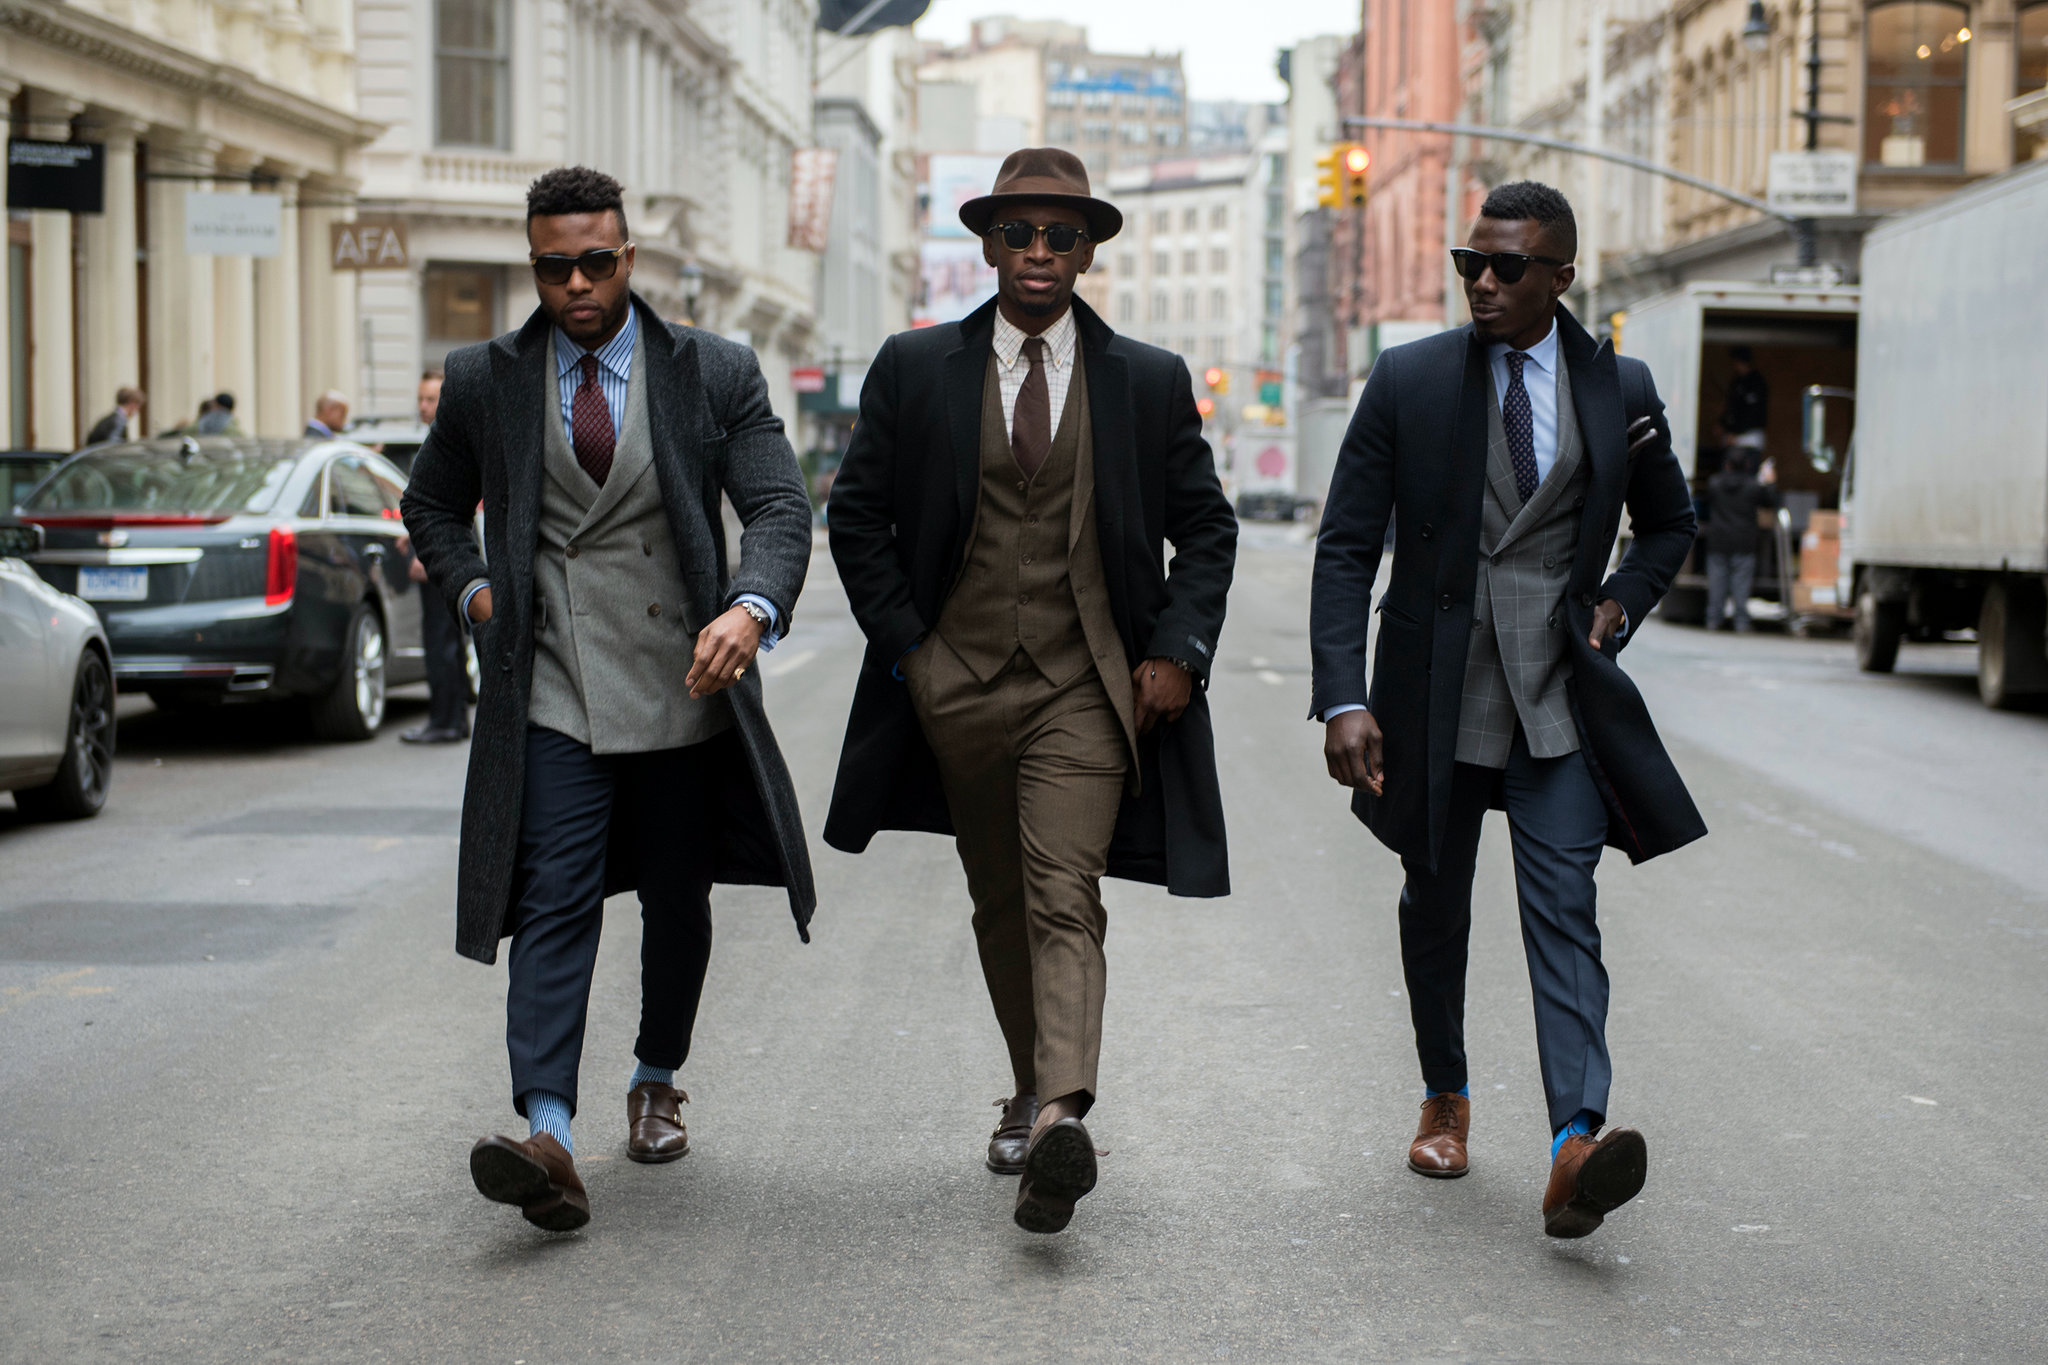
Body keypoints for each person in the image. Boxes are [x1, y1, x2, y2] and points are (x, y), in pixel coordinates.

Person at [824, 147, 1238, 1235]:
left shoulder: (1144, 379)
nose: (1040, 253)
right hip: (953, 683)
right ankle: (1026, 1083)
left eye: (1061, 235)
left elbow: (1204, 528)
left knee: (1064, 892)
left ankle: (1059, 1115)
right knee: (999, 897)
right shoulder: (916, 367)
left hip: (1084, 684)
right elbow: (856, 518)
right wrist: (911, 653)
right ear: (986, 244)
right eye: (1019, 233)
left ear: (1090, 248)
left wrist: (1176, 650)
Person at [400, 166, 817, 1232]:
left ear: (627, 260)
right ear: (532, 265)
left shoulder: (712, 371)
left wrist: (752, 605)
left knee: (678, 895)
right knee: (553, 896)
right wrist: (481, 594)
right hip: (551, 685)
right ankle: (546, 1129)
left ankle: (656, 1074)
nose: (577, 283)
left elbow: (775, 503)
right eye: (554, 267)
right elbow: (431, 506)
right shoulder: (486, 379)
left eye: (596, 262)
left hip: (683, 678)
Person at [1311, 181, 1705, 1239]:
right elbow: (1348, 544)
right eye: (1468, 264)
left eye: (1506, 268)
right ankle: (1444, 1095)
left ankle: (1574, 1142)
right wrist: (1342, 696)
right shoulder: (1409, 379)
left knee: (1563, 915)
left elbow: (1669, 523)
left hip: (1554, 700)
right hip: (1430, 696)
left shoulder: (1616, 385)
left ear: (1558, 278)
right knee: (1433, 905)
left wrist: (1616, 607)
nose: (1481, 283)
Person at [401, 371, 470, 743]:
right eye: (421, 399)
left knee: (441, 638)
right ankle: (451, 718)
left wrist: (427, 557)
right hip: (445, 553)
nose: (424, 406)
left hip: (446, 556)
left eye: (431, 399)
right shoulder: (437, 438)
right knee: (446, 639)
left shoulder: (450, 440)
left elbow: (445, 509)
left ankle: (446, 720)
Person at [1702, 445, 1779, 632]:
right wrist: (1770, 482)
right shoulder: (1753, 486)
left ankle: (1714, 619)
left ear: (1726, 465)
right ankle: (1741, 621)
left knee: (1717, 582)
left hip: (1718, 540)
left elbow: (1705, 504)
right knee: (1741, 584)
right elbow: (1769, 501)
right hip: (1744, 541)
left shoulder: (1714, 483)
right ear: (1747, 465)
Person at [1721, 344, 1769, 461]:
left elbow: (1753, 412)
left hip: (1750, 439)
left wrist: (1736, 433)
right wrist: (1722, 424)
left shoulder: (1757, 382)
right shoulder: (1737, 382)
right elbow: (1732, 408)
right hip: (1734, 439)